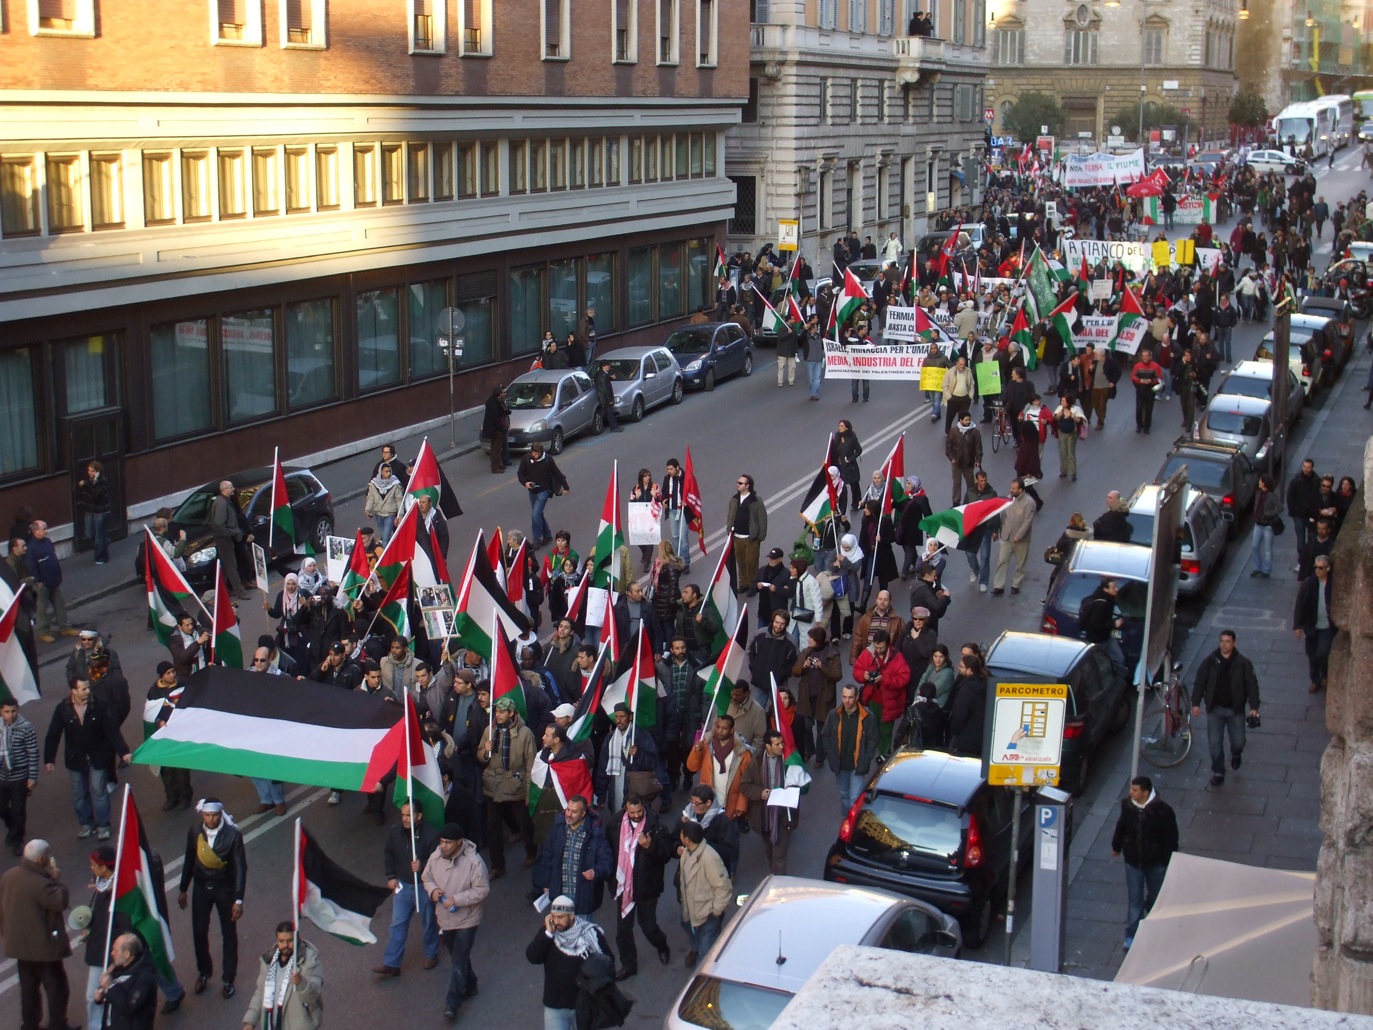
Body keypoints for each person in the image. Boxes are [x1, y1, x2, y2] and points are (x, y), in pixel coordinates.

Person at [177, 797, 248, 999]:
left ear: (221, 815)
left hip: (224, 889)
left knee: (229, 934)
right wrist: (183, 889)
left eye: (215, 815)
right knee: (199, 932)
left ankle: (228, 979)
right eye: (207, 815)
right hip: (201, 888)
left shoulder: (233, 835)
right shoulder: (194, 831)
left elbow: (241, 867)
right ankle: (204, 971)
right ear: (202, 814)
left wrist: (238, 900)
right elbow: (189, 860)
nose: (211, 819)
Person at [43, 678, 129, 841]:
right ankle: (86, 824)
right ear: (74, 691)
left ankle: (103, 825)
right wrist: (49, 759)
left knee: (99, 791)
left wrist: (123, 751)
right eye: (83, 689)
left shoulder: (99, 706)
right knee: (79, 793)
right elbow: (53, 734)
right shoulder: (63, 709)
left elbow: (112, 731)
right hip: (76, 759)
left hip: (97, 756)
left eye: (88, 688)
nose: (88, 691)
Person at [421, 822, 489, 1022]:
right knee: (459, 955)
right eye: (442, 842)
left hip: (468, 919)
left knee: (457, 960)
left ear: (459, 842)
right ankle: (471, 983)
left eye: (448, 843)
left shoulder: (474, 862)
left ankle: (452, 1003)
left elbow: (482, 890)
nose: (443, 846)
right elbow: (426, 877)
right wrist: (433, 890)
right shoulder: (435, 857)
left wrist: (457, 899)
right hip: (445, 918)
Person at [1, 839, 72, 1030]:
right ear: (41, 859)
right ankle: (58, 1024)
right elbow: (60, 902)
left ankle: (30, 1024)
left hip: (19, 946)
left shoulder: (9, 875)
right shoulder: (43, 884)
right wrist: (55, 879)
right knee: (56, 987)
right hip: (43, 947)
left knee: (29, 989)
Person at [605, 795, 674, 980]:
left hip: (647, 887)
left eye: (639, 812)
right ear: (625, 809)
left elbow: (666, 855)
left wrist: (650, 846)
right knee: (623, 931)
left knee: (648, 926)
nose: (636, 815)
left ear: (644, 808)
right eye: (632, 812)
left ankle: (661, 944)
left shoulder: (657, 828)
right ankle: (629, 966)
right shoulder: (615, 824)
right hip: (623, 885)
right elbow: (608, 849)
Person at [1110, 776, 1179, 952]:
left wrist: (1166, 861)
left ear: (1145, 793)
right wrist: (1116, 846)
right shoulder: (1127, 805)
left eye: (1134, 790)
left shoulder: (1163, 811)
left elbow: (1171, 838)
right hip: (1133, 861)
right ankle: (1131, 935)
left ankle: (1152, 922)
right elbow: (1122, 825)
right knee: (1135, 901)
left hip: (1156, 863)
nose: (1130, 793)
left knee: (1155, 898)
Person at [374, 801, 442, 977]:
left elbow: (439, 864)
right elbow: (388, 853)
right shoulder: (394, 832)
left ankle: (431, 953)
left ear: (419, 816)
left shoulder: (432, 835)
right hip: (403, 885)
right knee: (397, 924)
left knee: (429, 922)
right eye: (403, 814)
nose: (404, 818)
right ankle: (392, 963)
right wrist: (391, 876)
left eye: (409, 815)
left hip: (424, 886)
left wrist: (423, 865)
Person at [527, 896, 612, 1030]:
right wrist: (548, 934)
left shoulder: (590, 934)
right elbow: (532, 957)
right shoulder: (548, 934)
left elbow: (608, 963)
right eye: (553, 917)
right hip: (555, 1006)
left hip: (583, 1005)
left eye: (561, 917)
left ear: (571, 916)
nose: (556, 921)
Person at [1190, 629, 1262, 787]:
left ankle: (1236, 754)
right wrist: (1196, 703)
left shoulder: (1243, 663)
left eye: (1228, 641)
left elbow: (1251, 686)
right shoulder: (1210, 661)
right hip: (1215, 709)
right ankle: (1218, 771)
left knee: (1239, 742)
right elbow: (1200, 682)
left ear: (1234, 643)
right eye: (1222, 641)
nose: (1224, 644)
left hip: (1235, 710)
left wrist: (1254, 707)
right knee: (1214, 743)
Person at [476, 697, 537, 879]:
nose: (498, 715)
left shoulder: (525, 734)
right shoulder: (489, 730)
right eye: (496, 711)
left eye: (502, 711)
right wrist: (485, 751)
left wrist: (528, 792)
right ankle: (497, 865)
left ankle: (531, 851)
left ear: (512, 713)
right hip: (493, 785)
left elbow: (530, 765)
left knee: (524, 823)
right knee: (493, 826)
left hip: (515, 784)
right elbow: (480, 756)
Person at [533, 796, 613, 915]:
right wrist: (545, 883)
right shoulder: (557, 829)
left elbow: (607, 861)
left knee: (584, 932)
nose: (569, 814)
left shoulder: (595, 834)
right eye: (568, 810)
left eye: (574, 812)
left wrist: (596, 872)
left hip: (583, 898)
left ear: (583, 813)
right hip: (560, 897)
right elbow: (547, 856)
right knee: (561, 931)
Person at [239, 921, 324, 1030]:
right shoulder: (269, 961)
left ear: (297, 939)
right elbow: (261, 993)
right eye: (281, 941)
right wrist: (250, 1021)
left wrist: (301, 983)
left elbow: (313, 996)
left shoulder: (310, 962)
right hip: (273, 1024)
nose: (285, 945)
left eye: (289, 941)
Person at [738, 730, 800, 874]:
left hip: (784, 814)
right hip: (764, 815)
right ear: (768, 746)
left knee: (779, 855)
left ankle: (778, 881)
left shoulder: (788, 760)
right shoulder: (756, 763)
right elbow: (744, 785)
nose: (781, 747)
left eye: (782, 743)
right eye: (777, 744)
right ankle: (774, 875)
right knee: (769, 851)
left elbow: (800, 782)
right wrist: (760, 793)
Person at [676, 820, 732, 966]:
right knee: (690, 930)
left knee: (707, 953)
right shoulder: (687, 852)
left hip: (708, 914)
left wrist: (716, 912)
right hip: (691, 908)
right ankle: (695, 949)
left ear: (687, 839)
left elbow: (723, 887)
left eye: (681, 834)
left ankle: (702, 980)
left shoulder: (710, 858)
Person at [817, 684, 878, 812]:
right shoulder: (834, 715)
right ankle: (847, 819)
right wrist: (830, 754)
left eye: (850, 697)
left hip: (858, 764)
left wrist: (867, 758)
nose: (847, 701)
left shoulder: (868, 717)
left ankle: (851, 823)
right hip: (840, 764)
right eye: (844, 697)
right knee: (844, 794)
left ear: (856, 697)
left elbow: (873, 739)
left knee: (855, 797)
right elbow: (825, 735)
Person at [596, 704, 659, 814]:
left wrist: (638, 755)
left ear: (630, 717)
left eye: (622, 716)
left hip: (637, 789)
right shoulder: (610, 738)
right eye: (616, 717)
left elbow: (652, 763)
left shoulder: (642, 736)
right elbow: (603, 767)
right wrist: (601, 795)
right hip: (616, 788)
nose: (619, 720)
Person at [25, 520, 77, 643]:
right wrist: (38, 581)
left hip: (54, 580)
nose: (46, 531)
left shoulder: (47, 542)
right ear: (36, 531)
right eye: (44, 529)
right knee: (42, 609)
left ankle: (65, 627)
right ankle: (44, 632)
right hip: (43, 583)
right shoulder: (32, 548)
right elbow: (31, 567)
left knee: (60, 605)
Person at [0, 698, 39, 857]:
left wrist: (33, 776)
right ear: (1, 711)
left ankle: (17, 839)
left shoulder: (26, 728)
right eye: (7, 711)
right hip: (2, 776)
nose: (11, 715)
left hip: (19, 775)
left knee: (18, 810)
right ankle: (12, 827)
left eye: (14, 711)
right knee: (1, 808)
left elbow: (33, 752)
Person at [94, 933, 157, 1030]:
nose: (112, 953)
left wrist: (110, 986)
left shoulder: (144, 978)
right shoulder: (117, 968)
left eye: (116, 950)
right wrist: (101, 995)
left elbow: (129, 1006)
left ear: (127, 954)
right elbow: (112, 994)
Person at [1294, 555, 1336, 694]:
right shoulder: (1309, 583)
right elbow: (1300, 604)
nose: (1317, 570)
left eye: (1321, 568)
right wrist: (1297, 626)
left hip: (1327, 626)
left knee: (1322, 652)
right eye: (1315, 567)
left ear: (1328, 569)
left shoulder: (1332, 584)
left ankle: (1324, 674)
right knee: (1311, 653)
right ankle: (1315, 680)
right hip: (1312, 626)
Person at [518, 442, 571, 548]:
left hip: (543, 491)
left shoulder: (548, 460)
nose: (535, 456)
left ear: (541, 452)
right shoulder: (526, 459)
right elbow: (520, 473)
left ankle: (536, 539)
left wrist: (566, 487)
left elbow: (557, 473)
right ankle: (547, 535)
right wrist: (525, 483)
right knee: (538, 514)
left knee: (535, 515)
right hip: (532, 491)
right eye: (534, 453)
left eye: (537, 454)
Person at [991, 477, 1036, 596]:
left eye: (1014, 488)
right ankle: (998, 585)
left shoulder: (1029, 503)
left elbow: (1028, 522)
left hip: (1021, 540)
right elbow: (1003, 516)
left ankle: (1015, 584)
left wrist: (1019, 536)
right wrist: (1001, 531)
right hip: (1007, 537)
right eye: (1011, 488)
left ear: (1021, 490)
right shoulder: (1008, 500)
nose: (1011, 490)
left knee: (1020, 563)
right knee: (1002, 561)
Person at [209, 480, 254, 599]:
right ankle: (240, 592)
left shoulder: (223, 502)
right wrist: (232, 533)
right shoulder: (222, 504)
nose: (233, 489)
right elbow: (219, 525)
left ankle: (224, 591)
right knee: (231, 565)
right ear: (225, 490)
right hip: (224, 539)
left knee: (225, 565)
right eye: (231, 487)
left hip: (225, 538)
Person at [726, 474, 768, 594]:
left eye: (740, 483)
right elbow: (730, 515)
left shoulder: (756, 500)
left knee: (752, 563)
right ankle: (743, 583)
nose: (738, 485)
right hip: (737, 537)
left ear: (748, 485)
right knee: (741, 563)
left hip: (751, 538)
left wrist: (760, 536)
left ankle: (753, 585)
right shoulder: (734, 499)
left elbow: (762, 519)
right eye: (738, 482)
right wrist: (729, 530)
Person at [946, 654, 989, 757]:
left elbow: (959, 715)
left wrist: (953, 730)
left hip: (965, 740)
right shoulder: (986, 685)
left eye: (961, 666)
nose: (958, 668)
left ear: (970, 670)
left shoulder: (966, 690)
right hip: (982, 738)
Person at [74, 461, 113, 565]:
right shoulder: (89, 481)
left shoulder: (102, 482)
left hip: (101, 511)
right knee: (89, 534)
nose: (90, 473)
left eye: (92, 471)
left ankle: (101, 557)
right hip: (89, 510)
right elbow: (84, 495)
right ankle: (105, 541)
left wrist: (87, 486)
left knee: (98, 537)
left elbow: (96, 495)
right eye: (89, 470)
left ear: (98, 472)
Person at [946, 410, 983, 506]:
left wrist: (978, 460)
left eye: (969, 420)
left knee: (970, 484)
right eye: (966, 420)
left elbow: (978, 448)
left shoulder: (975, 432)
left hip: (969, 463)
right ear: (961, 420)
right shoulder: (954, 431)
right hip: (956, 463)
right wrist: (952, 458)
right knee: (956, 483)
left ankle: (971, 501)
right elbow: (948, 446)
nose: (968, 422)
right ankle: (956, 502)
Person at [1250, 474, 1283, 579]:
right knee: (1255, 546)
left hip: (1267, 526)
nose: (1259, 483)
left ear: (1264, 483)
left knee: (1268, 549)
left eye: (1260, 481)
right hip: (1258, 524)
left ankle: (1266, 570)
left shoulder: (1272, 496)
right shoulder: (1258, 493)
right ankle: (1257, 568)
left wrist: (1270, 513)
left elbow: (1280, 507)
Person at [364, 462, 404, 545]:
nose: (388, 473)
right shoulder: (374, 484)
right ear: (381, 472)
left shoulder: (395, 484)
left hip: (390, 513)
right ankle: (389, 551)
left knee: (386, 536)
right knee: (383, 535)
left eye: (390, 471)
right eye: (386, 471)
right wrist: (368, 509)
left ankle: (385, 555)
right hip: (378, 513)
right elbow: (371, 498)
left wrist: (400, 515)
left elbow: (399, 499)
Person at [1050, 393, 1085, 481]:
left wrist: (1074, 417)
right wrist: (1058, 415)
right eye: (1061, 400)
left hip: (1072, 433)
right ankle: (1063, 471)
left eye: (1064, 401)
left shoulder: (1075, 409)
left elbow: (1080, 420)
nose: (1062, 402)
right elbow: (1054, 419)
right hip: (1062, 432)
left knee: (1070, 452)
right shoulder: (1059, 409)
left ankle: (1073, 472)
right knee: (1062, 452)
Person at [1129, 348, 1164, 434]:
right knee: (1139, 409)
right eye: (1143, 356)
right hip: (1140, 390)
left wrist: (1151, 381)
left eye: (1146, 356)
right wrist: (1139, 380)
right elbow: (1133, 376)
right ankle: (1139, 425)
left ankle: (1147, 427)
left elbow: (1159, 378)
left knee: (1149, 410)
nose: (1144, 358)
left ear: (1150, 357)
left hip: (1150, 390)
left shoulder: (1155, 366)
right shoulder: (1137, 366)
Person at [483, 384, 511, 474]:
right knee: (496, 449)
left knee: (496, 448)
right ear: (499, 394)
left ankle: (497, 465)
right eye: (502, 393)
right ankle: (495, 467)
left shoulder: (494, 401)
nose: (504, 394)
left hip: (494, 429)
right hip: (495, 430)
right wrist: (500, 428)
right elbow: (496, 418)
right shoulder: (494, 403)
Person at [593, 358, 624, 433]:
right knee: (610, 413)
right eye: (608, 365)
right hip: (605, 399)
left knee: (609, 413)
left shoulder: (600, 374)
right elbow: (606, 389)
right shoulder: (603, 376)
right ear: (604, 366)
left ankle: (614, 426)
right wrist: (610, 400)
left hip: (603, 398)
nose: (609, 367)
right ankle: (614, 427)